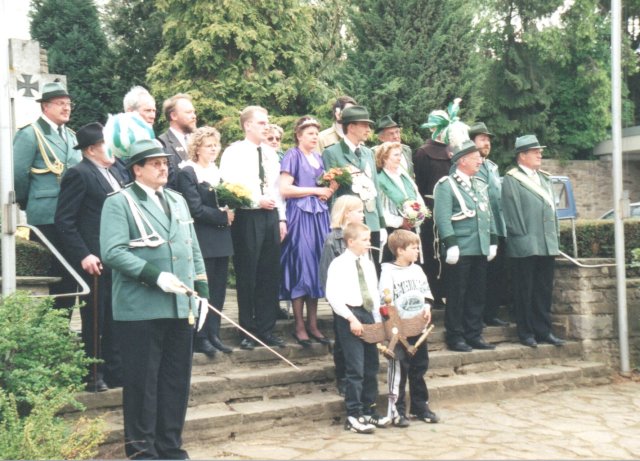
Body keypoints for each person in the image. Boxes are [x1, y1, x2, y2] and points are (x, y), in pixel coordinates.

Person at [100, 138, 208, 460]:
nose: (164, 168)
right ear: (137, 169)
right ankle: (142, 453)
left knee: (175, 384)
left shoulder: (176, 200)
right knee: (143, 386)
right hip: (141, 308)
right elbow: (113, 252)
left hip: (180, 306)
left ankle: (170, 447)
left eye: (165, 162)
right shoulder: (119, 202)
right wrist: (155, 275)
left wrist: (202, 293)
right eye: (155, 163)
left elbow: (193, 250)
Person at [54, 122, 126, 392]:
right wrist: (83, 254)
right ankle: (93, 373)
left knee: (115, 316)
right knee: (95, 318)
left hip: (116, 257)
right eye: (107, 144)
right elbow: (64, 221)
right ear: (92, 149)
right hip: (94, 260)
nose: (112, 149)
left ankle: (116, 370)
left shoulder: (114, 173)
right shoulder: (79, 174)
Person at [219, 106, 287, 350]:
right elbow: (229, 185)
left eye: (267, 122)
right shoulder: (234, 152)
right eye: (261, 123)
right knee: (248, 274)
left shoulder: (269, 154)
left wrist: (281, 218)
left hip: (270, 216)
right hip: (248, 217)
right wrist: (254, 200)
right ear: (247, 125)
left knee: (270, 273)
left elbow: (278, 188)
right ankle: (247, 330)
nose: (265, 127)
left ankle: (266, 328)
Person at [13, 81, 82, 311]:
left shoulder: (72, 137)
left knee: (71, 274)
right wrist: (28, 203)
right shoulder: (30, 134)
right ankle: (51, 330)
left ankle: (63, 330)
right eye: (60, 103)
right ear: (45, 107)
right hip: (46, 216)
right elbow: (17, 175)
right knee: (53, 274)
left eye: (68, 103)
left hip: (72, 217)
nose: (66, 108)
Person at [501, 135, 566, 348]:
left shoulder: (544, 178)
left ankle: (543, 330)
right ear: (522, 155)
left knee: (543, 290)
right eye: (535, 151)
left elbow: (553, 212)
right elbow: (512, 213)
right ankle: (526, 332)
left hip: (546, 243)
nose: (540, 154)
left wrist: (553, 238)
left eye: (540, 150)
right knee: (524, 291)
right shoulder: (512, 178)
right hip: (526, 243)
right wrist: (522, 239)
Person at [325, 222, 390, 433]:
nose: (368, 244)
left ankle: (369, 410)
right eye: (364, 240)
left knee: (371, 366)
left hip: (368, 313)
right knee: (356, 368)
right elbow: (333, 295)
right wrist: (351, 319)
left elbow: (373, 292)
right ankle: (353, 415)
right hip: (349, 315)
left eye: (369, 239)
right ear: (350, 241)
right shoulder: (339, 264)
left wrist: (377, 320)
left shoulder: (368, 263)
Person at [433, 139, 497, 352]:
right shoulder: (446, 185)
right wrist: (450, 244)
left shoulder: (480, 184)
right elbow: (442, 218)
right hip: (460, 248)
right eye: (474, 157)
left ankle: (474, 334)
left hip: (479, 247)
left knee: (477, 294)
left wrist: (493, 241)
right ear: (461, 161)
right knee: (457, 295)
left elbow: (488, 215)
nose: (479, 160)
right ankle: (455, 336)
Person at [176, 126, 234, 357]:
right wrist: (222, 216)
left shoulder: (217, 171)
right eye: (209, 145)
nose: (214, 149)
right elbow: (194, 208)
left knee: (219, 289)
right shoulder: (187, 172)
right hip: (202, 236)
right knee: (204, 288)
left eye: (216, 145)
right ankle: (199, 337)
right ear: (197, 148)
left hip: (221, 236)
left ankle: (214, 333)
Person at [279, 116, 334, 347]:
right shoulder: (293, 155)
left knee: (317, 265)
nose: (314, 137)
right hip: (300, 215)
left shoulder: (319, 158)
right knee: (301, 265)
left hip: (319, 215)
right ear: (299, 136)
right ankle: (299, 324)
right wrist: (314, 190)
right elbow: (285, 189)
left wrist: (328, 190)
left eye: (316, 133)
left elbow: (323, 188)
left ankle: (313, 323)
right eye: (309, 133)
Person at [376, 230, 438, 427]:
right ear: (400, 250)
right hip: (399, 330)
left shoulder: (418, 270)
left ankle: (421, 407)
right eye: (414, 248)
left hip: (418, 327)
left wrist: (427, 307)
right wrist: (394, 329)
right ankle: (397, 410)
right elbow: (386, 302)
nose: (418, 251)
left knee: (419, 367)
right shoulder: (388, 272)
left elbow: (426, 293)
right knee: (399, 370)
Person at [323, 105, 386, 273]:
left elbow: (376, 188)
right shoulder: (332, 153)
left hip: (371, 218)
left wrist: (381, 223)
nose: (368, 129)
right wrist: (337, 224)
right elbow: (333, 192)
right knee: (351, 271)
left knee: (373, 270)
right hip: (350, 221)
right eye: (364, 125)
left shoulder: (368, 153)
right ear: (351, 127)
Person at [319, 195, 365, 396]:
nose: (363, 215)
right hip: (342, 299)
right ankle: (343, 378)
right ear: (347, 213)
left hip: (361, 295)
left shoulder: (363, 236)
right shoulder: (333, 240)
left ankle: (360, 377)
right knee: (342, 339)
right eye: (359, 211)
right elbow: (326, 272)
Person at [469, 122, 509, 327]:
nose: (487, 143)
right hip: (482, 227)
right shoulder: (470, 166)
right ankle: (479, 316)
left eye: (488, 140)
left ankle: (491, 313)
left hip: (498, 226)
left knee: (496, 274)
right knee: (481, 275)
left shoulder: (492, 166)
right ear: (472, 141)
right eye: (483, 139)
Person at [413, 114, 453, 307]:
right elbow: (419, 183)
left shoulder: (452, 151)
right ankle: (433, 293)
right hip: (430, 208)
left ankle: (448, 291)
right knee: (431, 251)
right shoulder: (423, 152)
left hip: (452, 207)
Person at [375, 141, 426, 262]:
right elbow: (380, 209)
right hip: (392, 233)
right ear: (384, 157)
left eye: (400, 155)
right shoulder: (379, 179)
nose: (400, 158)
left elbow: (418, 198)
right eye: (396, 155)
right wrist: (400, 221)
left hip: (410, 229)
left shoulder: (404, 176)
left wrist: (417, 217)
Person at [158, 93, 198, 189]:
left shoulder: (198, 141)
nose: (194, 116)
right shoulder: (161, 144)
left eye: (194, 112)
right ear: (174, 116)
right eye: (188, 112)